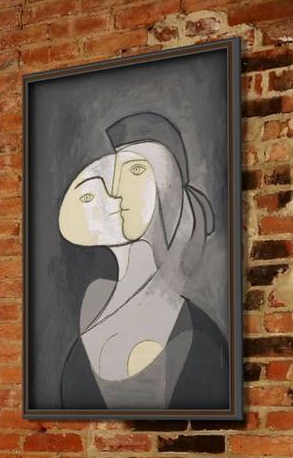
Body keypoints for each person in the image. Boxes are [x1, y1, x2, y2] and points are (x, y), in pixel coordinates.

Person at [55, 112, 227, 411]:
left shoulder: (195, 337)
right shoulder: (96, 303)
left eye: (137, 171)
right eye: (115, 173)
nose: (117, 191)